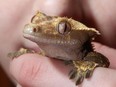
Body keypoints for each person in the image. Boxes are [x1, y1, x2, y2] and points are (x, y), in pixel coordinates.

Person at [0, 0, 116, 87]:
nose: (56, 9)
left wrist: (88, 66)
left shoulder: (91, 57)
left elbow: (103, 60)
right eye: (37, 21)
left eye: (63, 28)